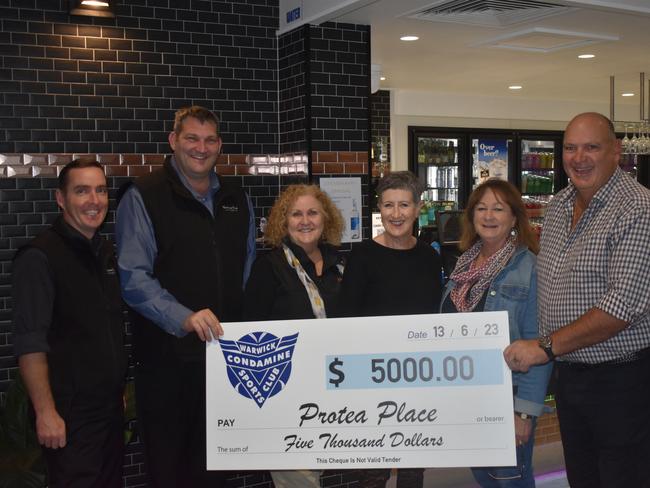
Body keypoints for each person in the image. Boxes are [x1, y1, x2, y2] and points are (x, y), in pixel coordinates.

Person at [504, 112, 650, 488]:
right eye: (570, 147)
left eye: (591, 147)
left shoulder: (637, 208)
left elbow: (623, 306)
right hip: (569, 379)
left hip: (621, 381)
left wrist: (545, 346)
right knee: (582, 478)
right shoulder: (559, 204)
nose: (579, 157)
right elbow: (545, 287)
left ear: (616, 151)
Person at [115, 106, 256, 487]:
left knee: (217, 468)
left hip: (222, 361)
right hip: (165, 364)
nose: (201, 147)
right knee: (170, 470)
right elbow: (133, 278)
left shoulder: (236, 198)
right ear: (174, 141)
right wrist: (184, 316)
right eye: (191, 138)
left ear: (219, 146)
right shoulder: (143, 196)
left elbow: (245, 268)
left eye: (210, 140)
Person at [12, 160, 127, 487]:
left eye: (101, 190)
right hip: (69, 416)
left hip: (107, 412)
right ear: (60, 199)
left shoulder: (104, 252)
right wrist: (46, 413)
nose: (94, 200)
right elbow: (29, 342)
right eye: (82, 191)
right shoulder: (38, 257)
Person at [440, 179, 552, 487]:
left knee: (510, 480)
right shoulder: (462, 266)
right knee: (485, 477)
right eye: (482, 208)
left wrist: (525, 413)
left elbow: (538, 341)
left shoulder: (529, 267)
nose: (489, 216)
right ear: (472, 215)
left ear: (514, 218)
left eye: (498, 209)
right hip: (468, 395)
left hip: (508, 398)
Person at [339, 171, 443, 488]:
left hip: (418, 378)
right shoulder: (362, 256)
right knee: (372, 471)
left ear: (417, 208)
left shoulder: (429, 257)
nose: (396, 214)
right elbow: (345, 321)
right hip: (371, 381)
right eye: (388, 206)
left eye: (404, 205)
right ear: (379, 209)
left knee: (413, 469)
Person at [244, 184, 345, 488]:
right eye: (296, 214)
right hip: (286, 395)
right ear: (283, 221)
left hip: (335, 391)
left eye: (313, 212)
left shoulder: (339, 265)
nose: (305, 220)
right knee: (299, 479)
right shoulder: (269, 268)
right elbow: (251, 334)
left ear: (325, 218)